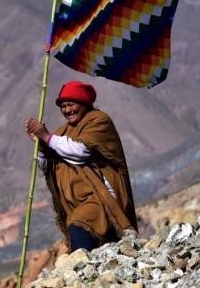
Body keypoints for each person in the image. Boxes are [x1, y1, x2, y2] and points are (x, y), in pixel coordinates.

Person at [25, 80, 137, 252]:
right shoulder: (62, 132)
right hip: (75, 204)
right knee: (93, 239)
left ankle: (84, 265)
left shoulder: (99, 121)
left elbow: (81, 152)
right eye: (63, 106)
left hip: (100, 196)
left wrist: (47, 137)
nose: (67, 110)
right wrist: (41, 145)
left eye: (71, 104)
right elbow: (48, 166)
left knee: (79, 226)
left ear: (83, 103)